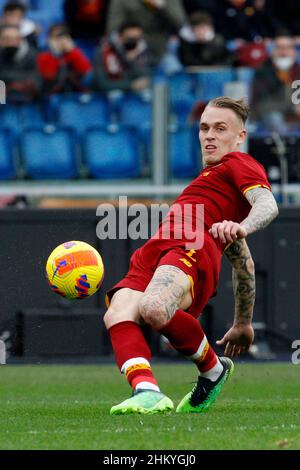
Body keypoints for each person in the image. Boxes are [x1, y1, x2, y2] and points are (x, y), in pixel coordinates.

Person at [103, 96, 279, 415]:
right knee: (117, 312)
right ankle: (147, 390)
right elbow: (244, 263)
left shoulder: (240, 163)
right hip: (154, 252)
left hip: (189, 248)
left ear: (240, 136)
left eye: (220, 128)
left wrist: (243, 226)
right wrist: (242, 323)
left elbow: (267, 205)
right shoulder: (207, 184)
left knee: (154, 307)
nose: (209, 135)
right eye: (204, 128)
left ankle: (212, 370)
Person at [106, 0, 186, 65]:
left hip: (164, 48)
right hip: (132, 49)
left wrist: (162, 5)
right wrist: (122, 49)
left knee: (173, 68)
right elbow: (113, 30)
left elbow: (181, 24)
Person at [251, 32, 300, 130]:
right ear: (272, 51)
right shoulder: (262, 72)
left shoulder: (297, 71)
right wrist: (293, 108)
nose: (284, 52)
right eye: (280, 48)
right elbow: (262, 105)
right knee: (275, 118)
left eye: (288, 47)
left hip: (294, 118)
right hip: (269, 118)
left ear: (295, 51)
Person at [94, 21, 151, 93]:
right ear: (120, 38)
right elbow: (101, 83)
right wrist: (131, 85)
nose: (134, 43)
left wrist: (131, 59)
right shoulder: (104, 52)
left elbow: (147, 76)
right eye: (131, 39)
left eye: (138, 39)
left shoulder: (142, 50)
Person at [37, 24, 92, 95]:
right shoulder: (44, 56)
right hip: (53, 95)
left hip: (75, 93)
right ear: (49, 40)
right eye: (57, 38)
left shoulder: (74, 53)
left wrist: (72, 51)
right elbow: (49, 77)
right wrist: (55, 54)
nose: (60, 41)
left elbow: (85, 71)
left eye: (63, 37)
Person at [0, 24, 40, 102]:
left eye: (15, 38)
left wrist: (9, 82)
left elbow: (36, 80)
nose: (11, 42)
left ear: (21, 40)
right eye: (7, 39)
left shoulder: (33, 55)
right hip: (3, 101)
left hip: (29, 100)